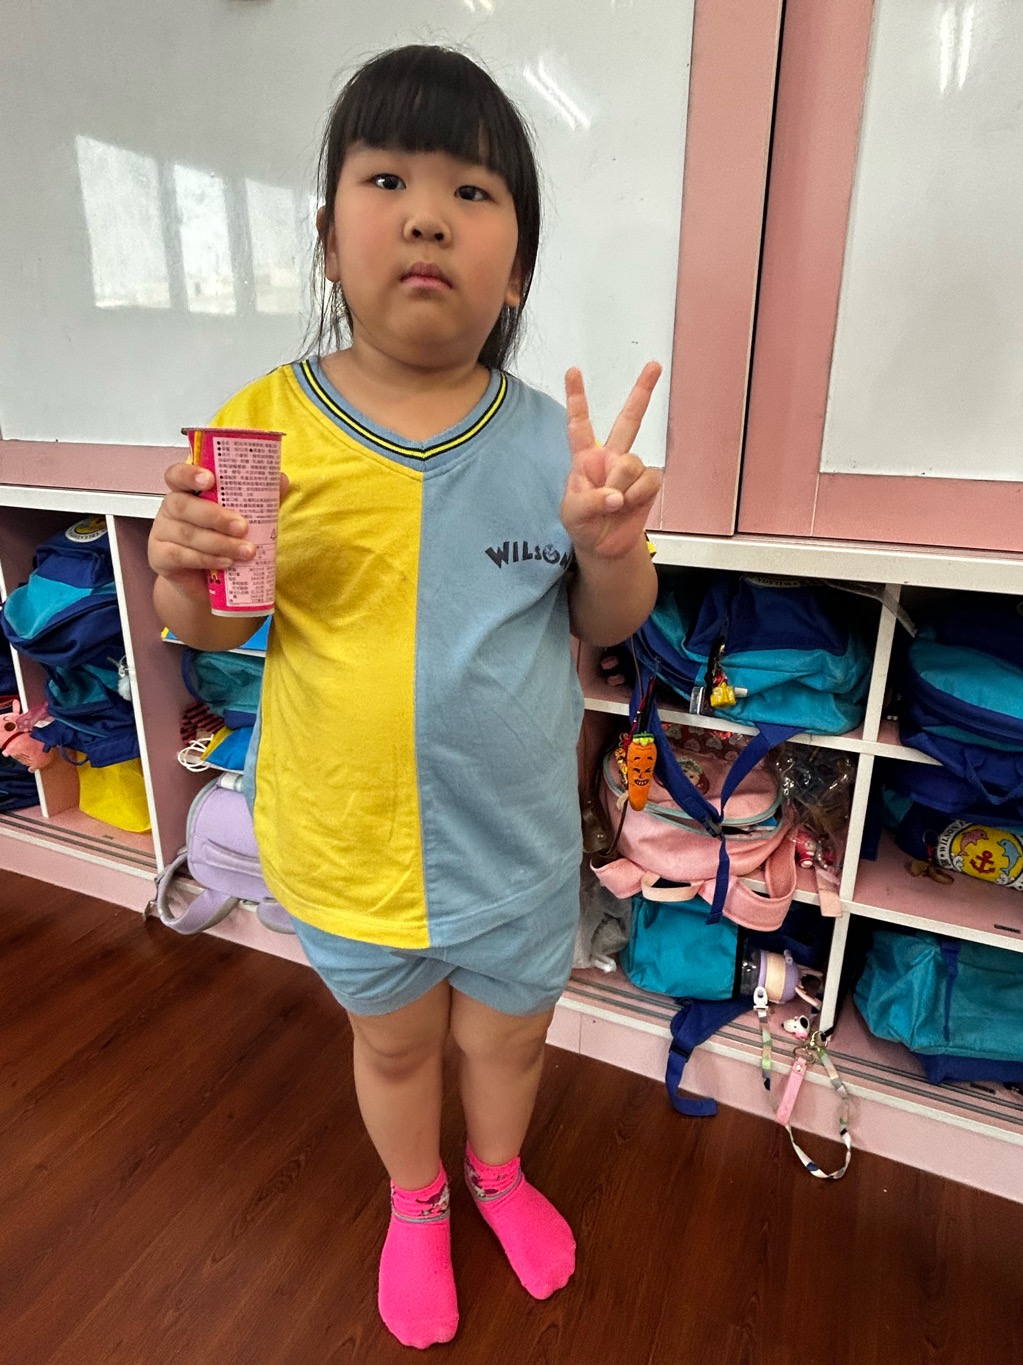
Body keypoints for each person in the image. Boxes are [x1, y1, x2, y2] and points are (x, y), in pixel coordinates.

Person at [148, 44, 661, 1350]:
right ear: (331, 242)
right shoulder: (259, 427)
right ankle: (418, 1198)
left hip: (514, 851)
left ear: (519, 267)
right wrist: (182, 574)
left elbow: (607, 627)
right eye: (387, 180)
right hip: (344, 844)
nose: (428, 214)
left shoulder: (554, 444)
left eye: (473, 191)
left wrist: (613, 549)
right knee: (392, 1049)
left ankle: (496, 1171)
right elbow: (216, 625)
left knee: (509, 1045)